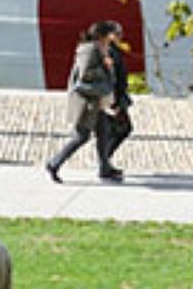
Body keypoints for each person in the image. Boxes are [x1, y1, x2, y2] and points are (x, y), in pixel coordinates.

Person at [45, 21, 114, 184]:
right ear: (102, 35)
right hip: (86, 103)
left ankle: (105, 168)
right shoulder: (89, 50)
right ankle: (54, 163)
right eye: (110, 34)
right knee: (81, 136)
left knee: (104, 131)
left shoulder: (99, 49)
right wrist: (104, 66)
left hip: (95, 101)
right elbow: (84, 75)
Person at [93, 22, 132, 181]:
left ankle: (104, 162)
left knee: (116, 130)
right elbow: (110, 77)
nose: (120, 37)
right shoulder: (106, 52)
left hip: (117, 97)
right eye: (117, 33)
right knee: (121, 129)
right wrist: (112, 101)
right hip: (111, 99)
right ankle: (104, 163)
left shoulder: (113, 50)